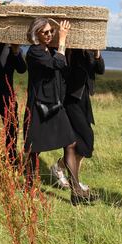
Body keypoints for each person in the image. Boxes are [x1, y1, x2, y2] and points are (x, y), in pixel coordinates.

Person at [24, 18, 91, 205]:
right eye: (45, 32)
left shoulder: (48, 49)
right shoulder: (34, 51)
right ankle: (30, 187)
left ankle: (76, 189)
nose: (49, 35)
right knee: (33, 149)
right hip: (39, 107)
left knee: (70, 143)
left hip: (55, 105)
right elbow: (57, 64)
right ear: (35, 33)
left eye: (51, 32)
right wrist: (62, 39)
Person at [49, 49, 104, 194]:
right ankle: (70, 177)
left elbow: (101, 69)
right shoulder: (72, 50)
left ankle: (61, 168)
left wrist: (97, 54)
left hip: (84, 99)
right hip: (71, 99)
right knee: (85, 139)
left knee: (82, 143)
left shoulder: (90, 51)